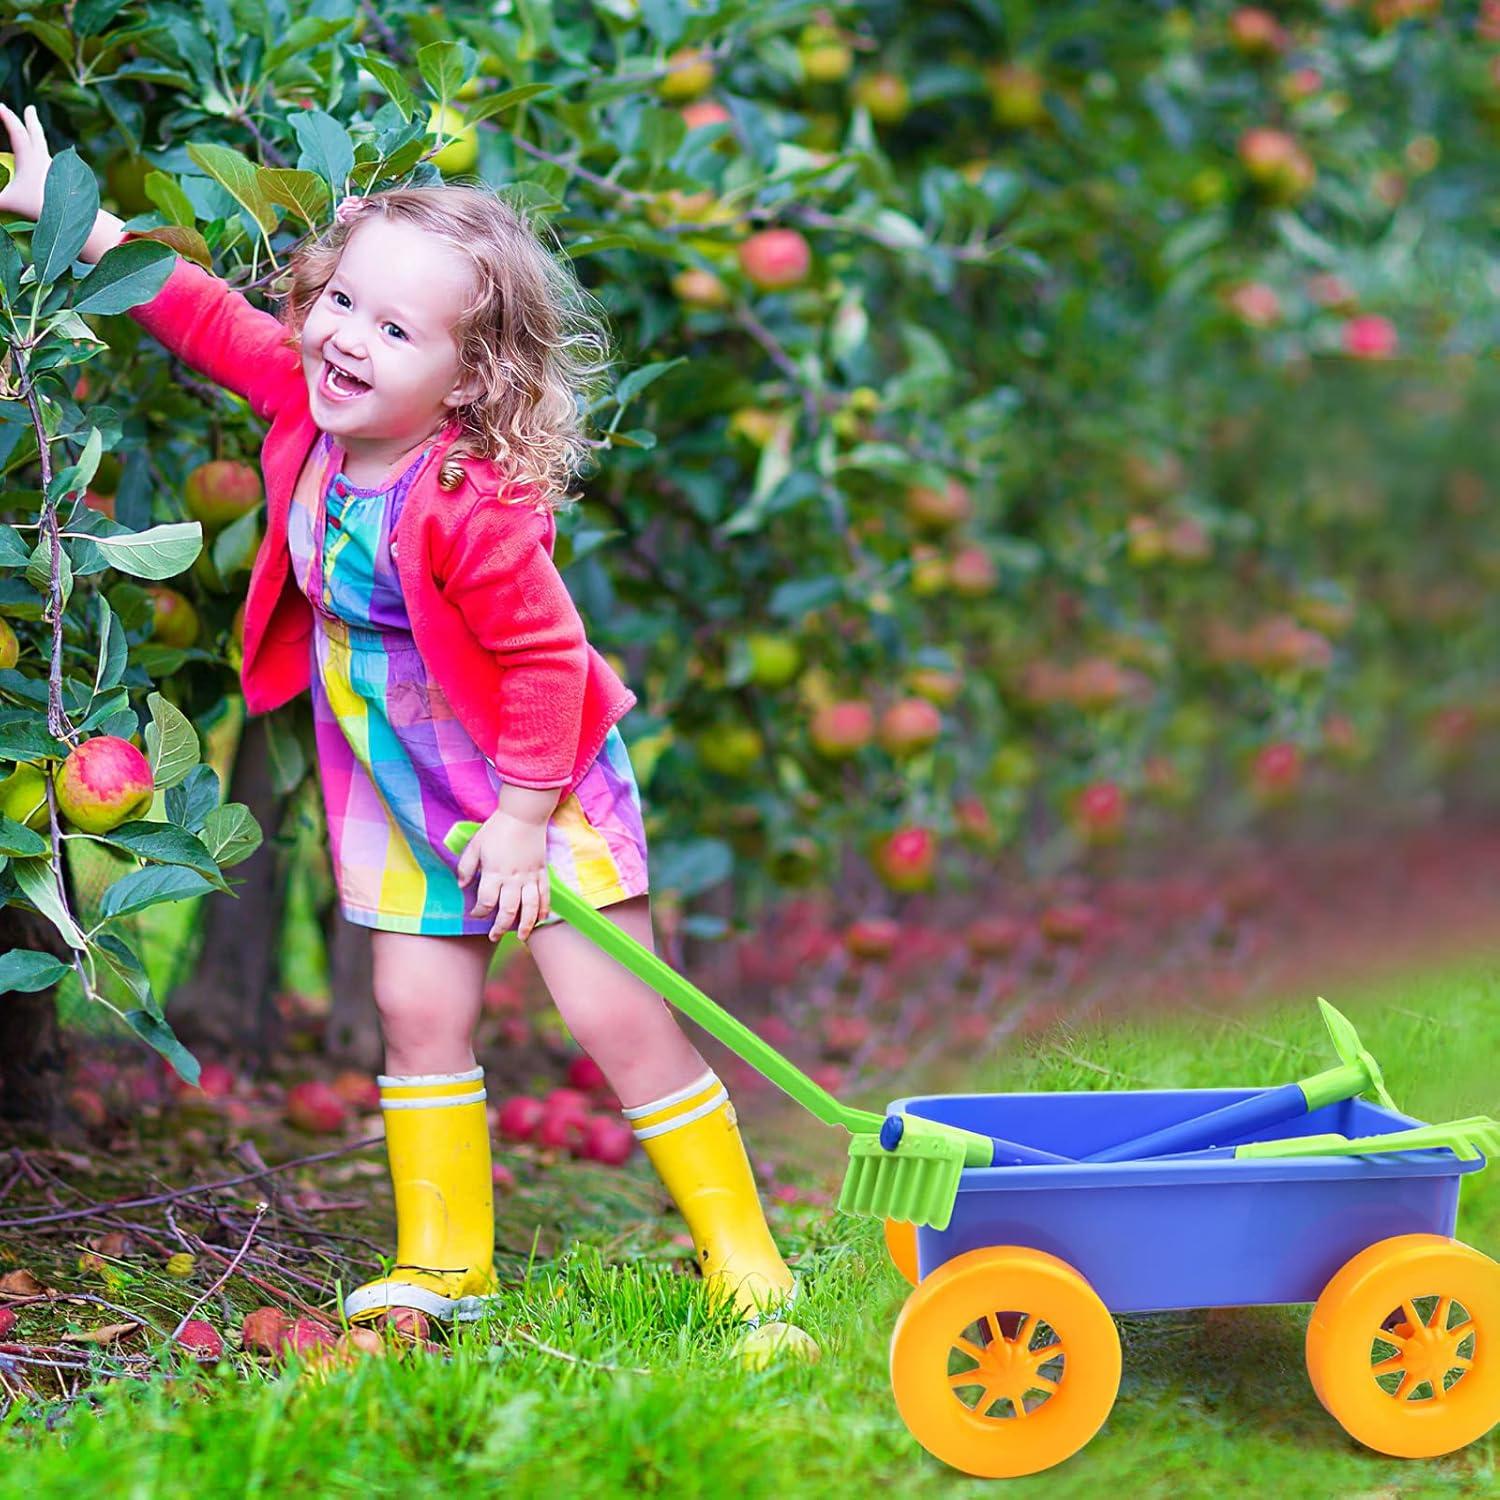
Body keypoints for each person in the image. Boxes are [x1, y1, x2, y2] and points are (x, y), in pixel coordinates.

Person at [0, 102, 813, 1351]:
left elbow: (547, 659)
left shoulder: (470, 504)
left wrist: (528, 825)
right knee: (417, 1013)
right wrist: (70, 214)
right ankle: (447, 1259)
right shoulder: (306, 406)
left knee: (616, 1017)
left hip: (532, 784)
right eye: (340, 303)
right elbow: (210, 316)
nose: (346, 341)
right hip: (396, 787)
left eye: (395, 328)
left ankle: (745, 1257)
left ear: (470, 377)